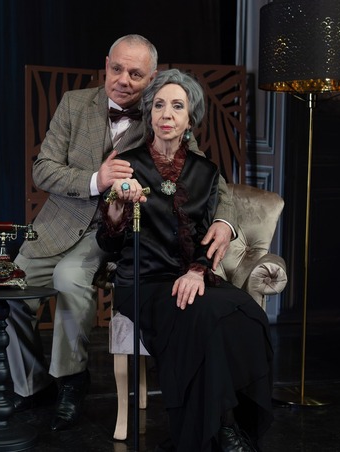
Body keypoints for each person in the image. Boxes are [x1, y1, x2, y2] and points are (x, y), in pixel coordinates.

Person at [6, 34, 237, 432]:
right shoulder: (74, 104)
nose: (124, 80)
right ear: (106, 66)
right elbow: (42, 170)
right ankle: (31, 385)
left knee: (68, 279)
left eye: (136, 74)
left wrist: (225, 221)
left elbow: (211, 177)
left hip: (114, 230)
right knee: (10, 291)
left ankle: (71, 381)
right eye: (117, 69)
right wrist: (96, 179)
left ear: (152, 78)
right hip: (58, 222)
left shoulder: (162, 111)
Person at [96, 68, 274, 451]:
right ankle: (221, 431)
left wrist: (197, 271)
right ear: (149, 114)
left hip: (192, 276)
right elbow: (108, 244)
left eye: (177, 106)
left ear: (190, 119)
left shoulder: (205, 172)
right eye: (159, 105)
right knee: (203, 316)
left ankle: (228, 422)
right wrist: (115, 212)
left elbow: (209, 236)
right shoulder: (127, 164)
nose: (167, 114)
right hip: (143, 282)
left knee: (245, 312)